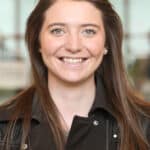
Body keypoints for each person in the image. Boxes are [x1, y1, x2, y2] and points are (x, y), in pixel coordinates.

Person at [0, 0, 150, 149]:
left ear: (106, 43)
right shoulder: (3, 125)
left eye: (88, 31)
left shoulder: (145, 124)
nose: (74, 46)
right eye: (58, 30)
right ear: (38, 41)